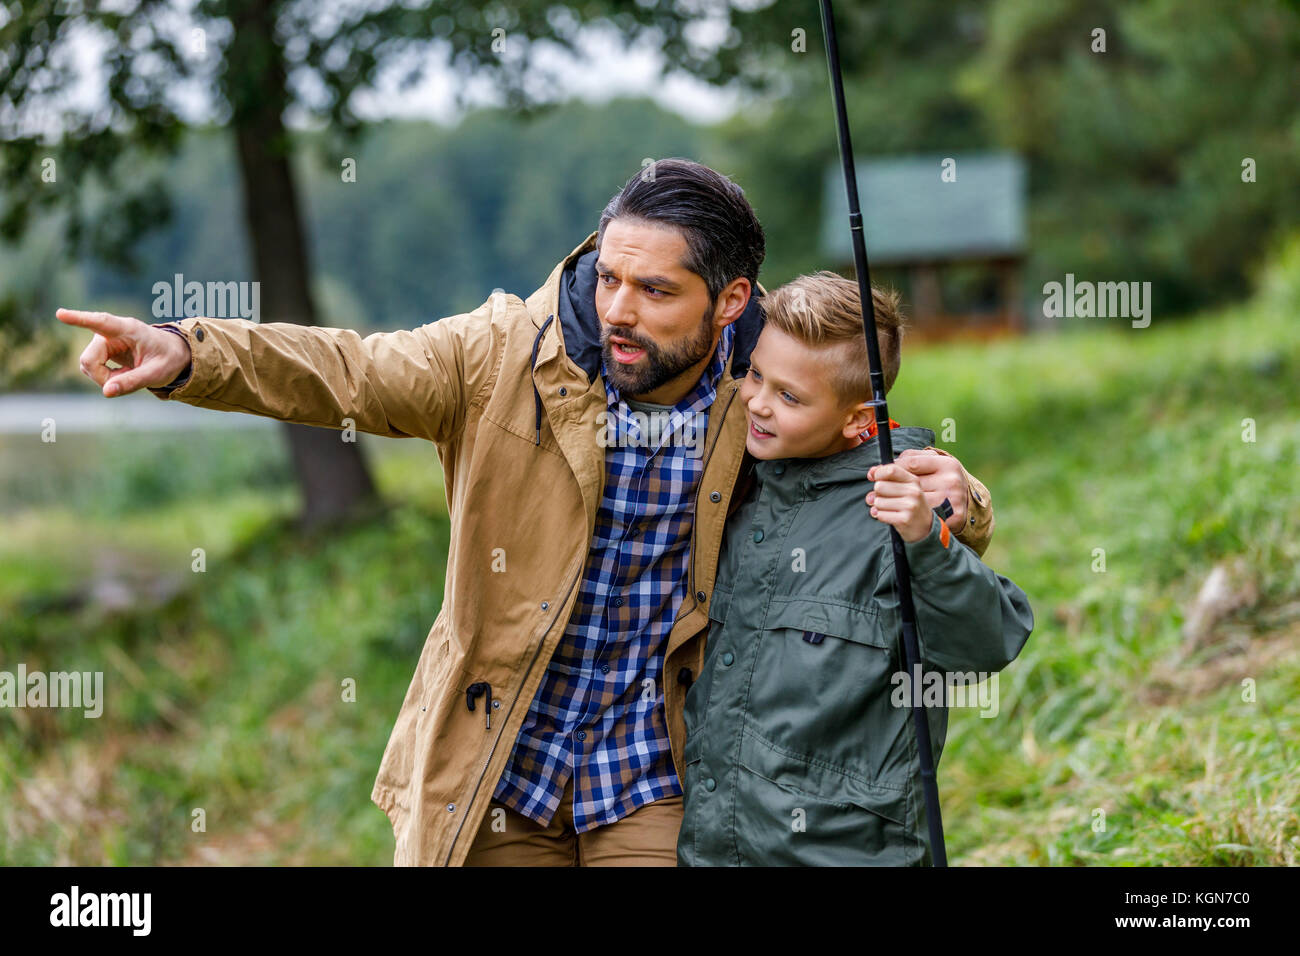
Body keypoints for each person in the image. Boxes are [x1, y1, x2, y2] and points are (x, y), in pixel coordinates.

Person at [56, 159, 997, 866]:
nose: (620, 308)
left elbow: (871, 451)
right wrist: (188, 352)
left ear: (730, 301)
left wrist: (962, 500)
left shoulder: (757, 393)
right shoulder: (499, 353)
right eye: (611, 278)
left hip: (652, 761)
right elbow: (349, 368)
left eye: (657, 290)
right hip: (502, 749)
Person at [676, 271, 1034, 866]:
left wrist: (927, 537)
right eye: (756, 374)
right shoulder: (737, 491)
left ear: (858, 418)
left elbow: (988, 641)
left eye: (790, 396)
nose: (759, 402)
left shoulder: (898, 513)